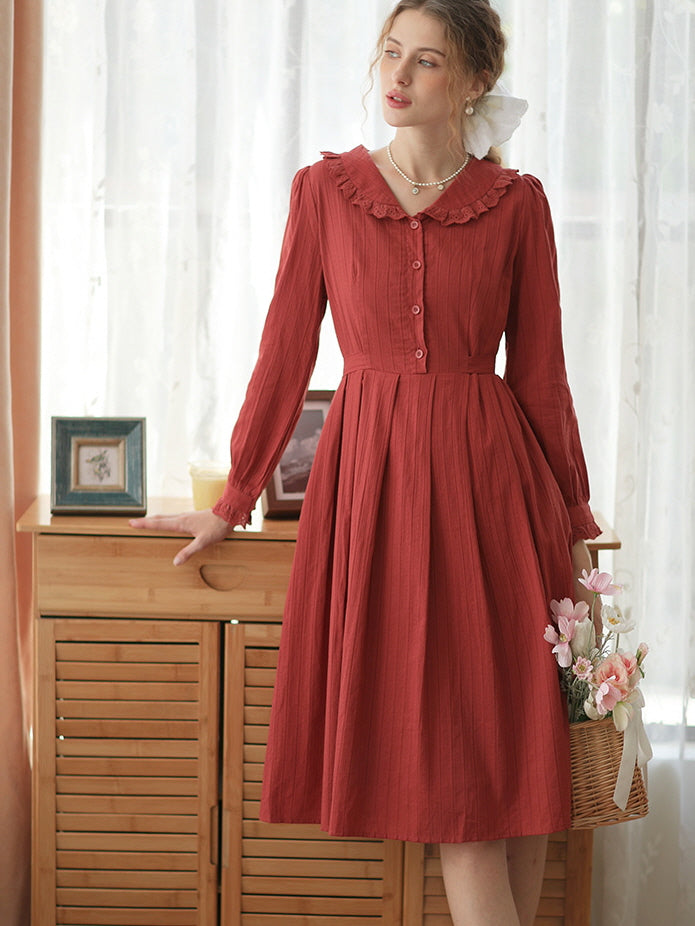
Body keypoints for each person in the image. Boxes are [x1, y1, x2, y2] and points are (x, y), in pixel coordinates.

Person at [132, 2, 602, 923]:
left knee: (519, 780)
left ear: (473, 82)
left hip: (499, 497)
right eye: (391, 53)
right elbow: (283, 355)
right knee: (471, 799)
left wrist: (575, 521)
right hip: (375, 493)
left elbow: (542, 378)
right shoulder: (326, 192)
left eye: (426, 61)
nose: (398, 75)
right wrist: (233, 497)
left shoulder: (517, 205)